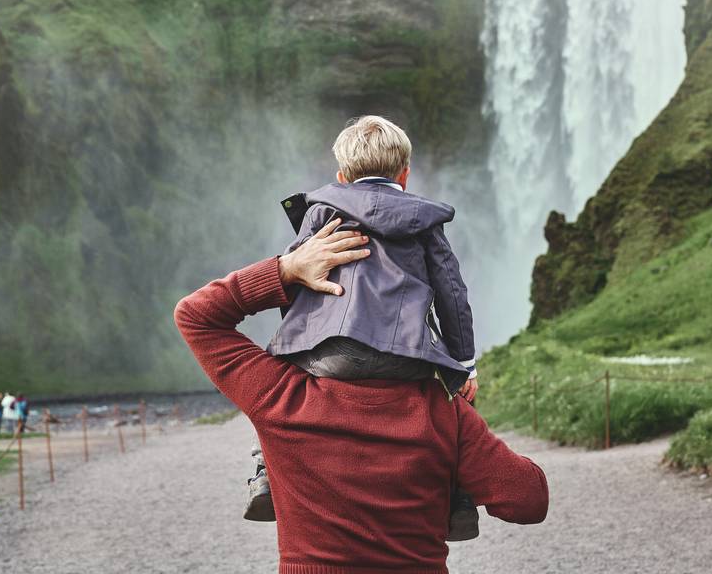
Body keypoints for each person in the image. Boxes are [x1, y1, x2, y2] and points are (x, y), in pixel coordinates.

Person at [174, 220, 547, 572]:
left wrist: (287, 269)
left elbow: (195, 316)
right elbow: (529, 500)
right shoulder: (442, 413)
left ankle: (262, 476)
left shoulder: (280, 396)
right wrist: (465, 434)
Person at [246, 115, 483, 539]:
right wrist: (464, 363)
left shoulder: (320, 212)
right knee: (455, 404)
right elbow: (452, 292)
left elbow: (298, 276)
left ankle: (266, 474)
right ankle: (456, 496)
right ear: (405, 175)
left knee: (272, 390)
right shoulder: (425, 222)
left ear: (340, 176)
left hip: (329, 354)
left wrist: (297, 343)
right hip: (405, 355)